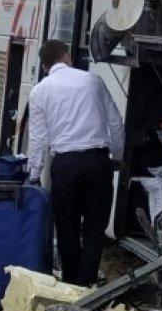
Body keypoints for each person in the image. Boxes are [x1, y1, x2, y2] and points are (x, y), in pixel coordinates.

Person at [27, 39, 124, 286]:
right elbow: (115, 122)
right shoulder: (92, 80)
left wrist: (34, 173)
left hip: (65, 165)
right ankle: (87, 280)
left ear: (46, 65)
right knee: (94, 226)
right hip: (97, 162)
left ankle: (71, 282)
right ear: (67, 56)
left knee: (67, 225)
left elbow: (38, 138)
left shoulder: (39, 91)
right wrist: (118, 156)